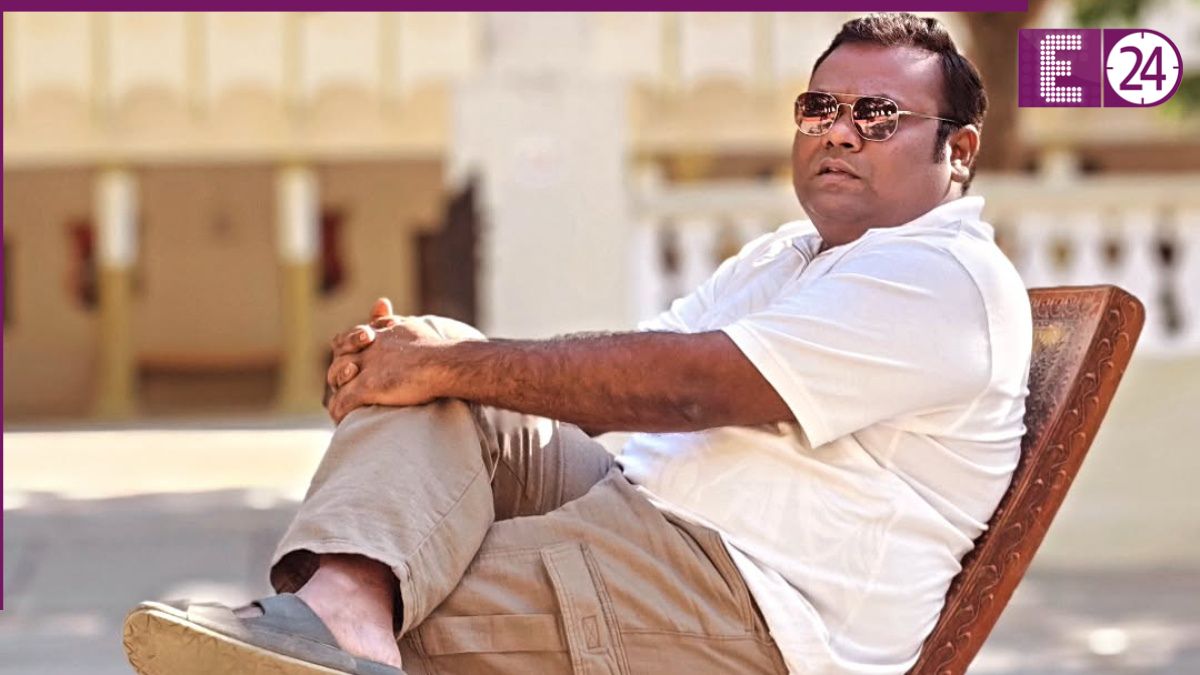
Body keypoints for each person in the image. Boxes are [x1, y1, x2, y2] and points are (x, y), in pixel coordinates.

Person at [122, 13, 1031, 675]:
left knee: (366, 597)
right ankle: (342, 609)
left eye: (878, 115)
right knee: (434, 353)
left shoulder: (940, 276)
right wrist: (422, 363)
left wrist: (433, 367)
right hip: (641, 512)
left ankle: (341, 622)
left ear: (958, 152)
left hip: (749, 601)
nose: (838, 131)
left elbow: (687, 387)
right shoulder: (788, 256)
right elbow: (635, 371)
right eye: (819, 107)